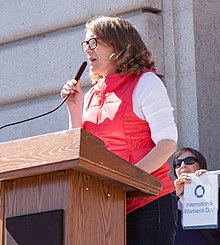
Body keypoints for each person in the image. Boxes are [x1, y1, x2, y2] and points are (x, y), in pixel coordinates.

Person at [61, 16, 178, 245]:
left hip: (149, 202)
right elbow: (82, 151)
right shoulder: (93, 93)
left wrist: (126, 181)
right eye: (85, 44)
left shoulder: (145, 83)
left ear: (117, 43)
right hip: (107, 204)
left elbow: (168, 143)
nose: (87, 50)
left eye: (93, 42)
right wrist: (74, 110)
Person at [173, 147, 220, 244]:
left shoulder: (215, 195)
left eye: (189, 161)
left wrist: (208, 188)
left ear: (201, 166)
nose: (183, 165)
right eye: (178, 163)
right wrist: (175, 195)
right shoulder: (169, 199)